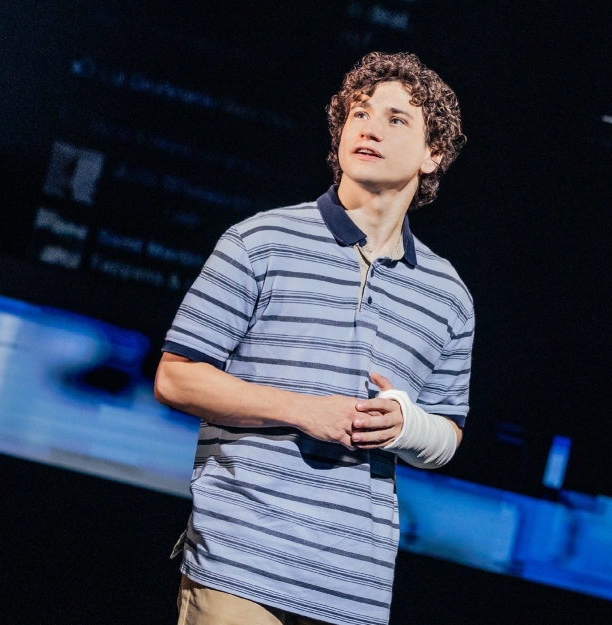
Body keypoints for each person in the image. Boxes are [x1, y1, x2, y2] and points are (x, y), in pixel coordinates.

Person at [154, 51, 473, 625]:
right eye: (359, 113)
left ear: (434, 154)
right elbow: (176, 377)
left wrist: (406, 425)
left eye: (396, 119)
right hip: (239, 560)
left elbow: (448, 434)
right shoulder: (260, 240)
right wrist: (306, 411)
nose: (370, 127)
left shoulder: (448, 294)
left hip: (354, 586)